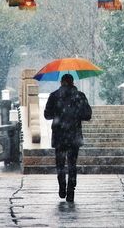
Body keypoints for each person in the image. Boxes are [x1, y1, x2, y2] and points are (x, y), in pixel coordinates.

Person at [44, 74, 92, 202]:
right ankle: (71, 189)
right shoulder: (79, 96)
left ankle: (62, 186)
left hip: (59, 135)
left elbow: (47, 115)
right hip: (74, 135)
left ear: (61, 82)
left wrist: (58, 113)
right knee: (72, 163)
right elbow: (87, 115)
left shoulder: (54, 96)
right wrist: (75, 114)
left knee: (60, 164)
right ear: (72, 82)